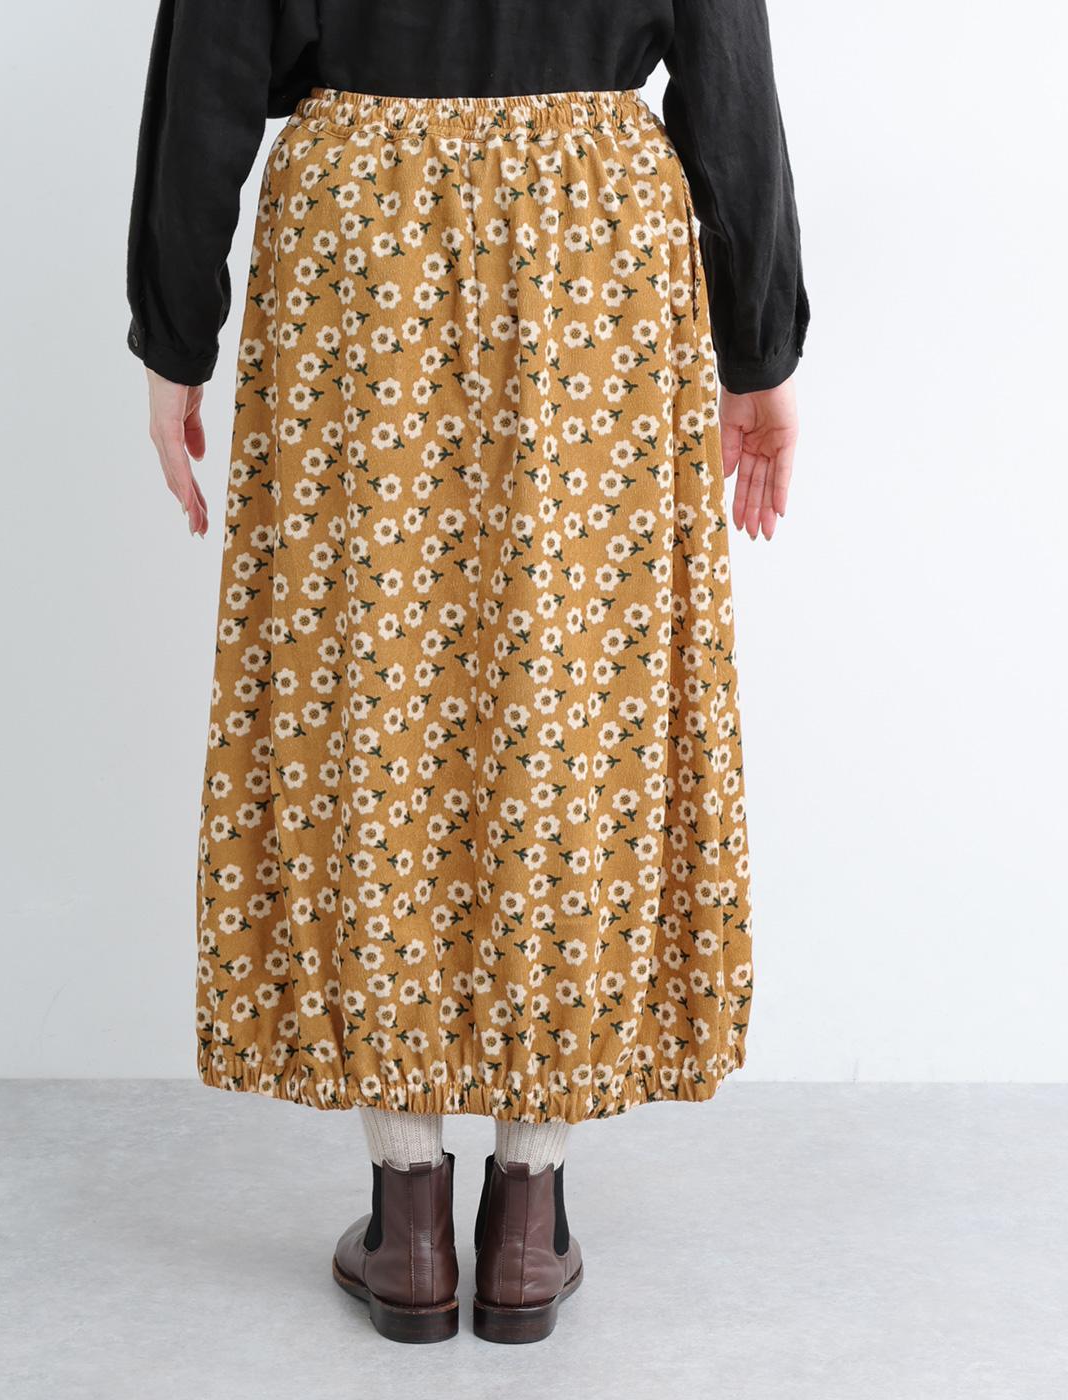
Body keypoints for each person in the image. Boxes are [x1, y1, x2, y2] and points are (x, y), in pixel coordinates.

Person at [125, 0, 807, 1345]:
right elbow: (725, 63)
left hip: (360, 240)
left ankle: (410, 1218)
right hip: (594, 243)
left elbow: (214, 55)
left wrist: (173, 332)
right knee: (576, 702)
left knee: (368, 704)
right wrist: (761, 348)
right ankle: (529, 1218)